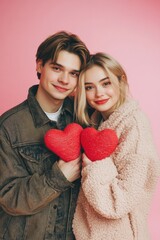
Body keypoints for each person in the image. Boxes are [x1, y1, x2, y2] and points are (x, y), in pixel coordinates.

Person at [0, 31, 90, 240]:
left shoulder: (83, 119)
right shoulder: (8, 126)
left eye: (74, 73)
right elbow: (8, 197)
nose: (64, 80)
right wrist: (58, 178)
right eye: (57, 68)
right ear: (40, 66)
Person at [73, 52, 160, 240]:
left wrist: (93, 166)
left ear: (121, 81)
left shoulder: (134, 127)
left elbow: (118, 202)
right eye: (89, 87)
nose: (99, 93)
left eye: (106, 83)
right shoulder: (97, 123)